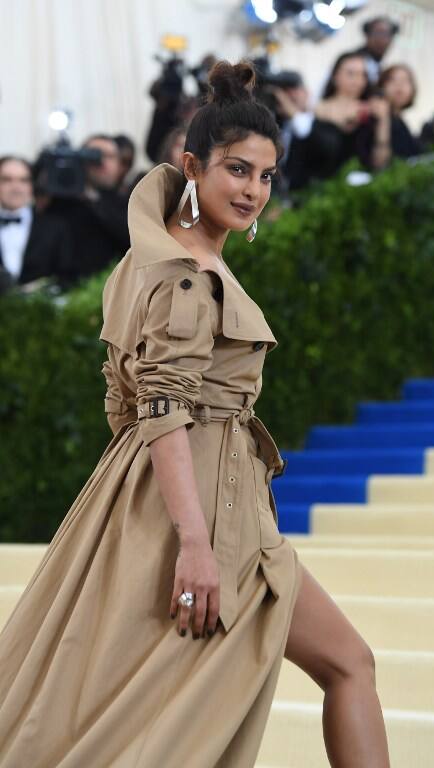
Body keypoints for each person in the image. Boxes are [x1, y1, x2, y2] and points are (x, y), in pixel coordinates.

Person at [0, 61, 390, 767]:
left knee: (334, 667)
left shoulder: (149, 259)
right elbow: (160, 406)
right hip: (203, 508)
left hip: (171, 500)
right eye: (237, 171)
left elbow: (126, 407)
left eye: (267, 177)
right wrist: (196, 541)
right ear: (191, 167)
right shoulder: (185, 273)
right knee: (160, 713)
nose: (253, 191)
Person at [46, 134, 130, 283]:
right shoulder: (61, 197)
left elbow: (129, 238)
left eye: (110, 156)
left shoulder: (129, 200)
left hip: (108, 288)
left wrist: (93, 200)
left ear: (120, 164)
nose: (101, 162)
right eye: (94, 155)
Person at [304, 53, 383, 182]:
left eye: (363, 75)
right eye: (351, 74)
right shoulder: (315, 108)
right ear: (335, 76)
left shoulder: (372, 111)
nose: (358, 81)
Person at [0, 155, 72, 287]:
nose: (16, 187)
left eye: (23, 180)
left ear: (32, 185)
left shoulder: (56, 227)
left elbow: (66, 277)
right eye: (6, 180)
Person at [358, 65, 422, 170]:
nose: (399, 85)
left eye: (405, 81)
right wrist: (383, 120)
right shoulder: (374, 118)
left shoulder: (400, 121)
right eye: (392, 80)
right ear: (381, 86)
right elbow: (379, 163)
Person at [351, 16, 400, 86]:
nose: (383, 39)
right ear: (367, 35)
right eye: (378, 33)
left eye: (387, 34)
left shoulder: (378, 65)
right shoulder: (354, 62)